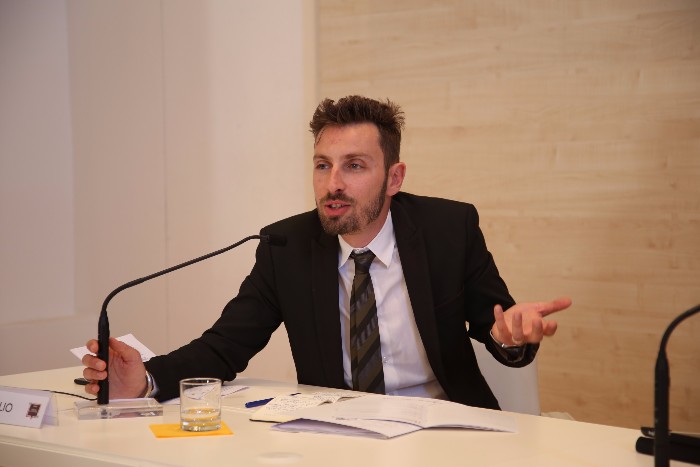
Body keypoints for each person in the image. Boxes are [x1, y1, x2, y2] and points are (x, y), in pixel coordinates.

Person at [82, 95, 571, 409]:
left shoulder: (449, 229)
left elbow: (500, 329)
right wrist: (144, 381)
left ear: (394, 178)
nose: (333, 183)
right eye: (322, 165)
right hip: (339, 439)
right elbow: (224, 347)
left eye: (354, 165)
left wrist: (510, 337)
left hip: (445, 432)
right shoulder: (285, 246)